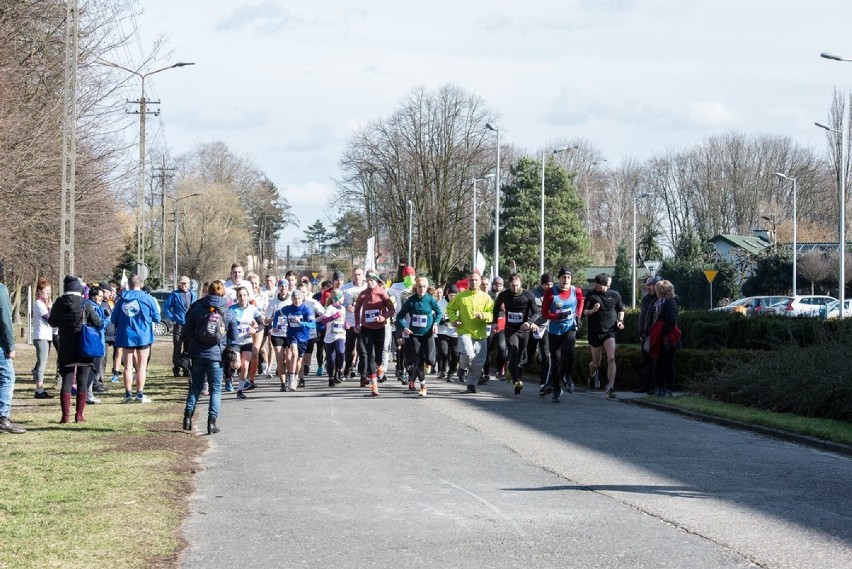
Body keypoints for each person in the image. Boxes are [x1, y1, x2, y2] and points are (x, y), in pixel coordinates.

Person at [180, 280, 240, 434]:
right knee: (215, 390)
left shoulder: (198, 308)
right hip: (217, 356)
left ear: (208, 292)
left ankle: (187, 418)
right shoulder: (227, 311)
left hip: (198, 354)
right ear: (223, 293)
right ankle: (211, 423)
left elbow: (186, 331)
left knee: (195, 387)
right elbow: (234, 336)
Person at [48, 275, 102, 423]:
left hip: (65, 346)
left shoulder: (59, 303)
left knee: (67, 379)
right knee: (82, 380)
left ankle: (65, 416)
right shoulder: (85, 304)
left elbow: (52, 323)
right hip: (84, 346)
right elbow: (97, 322)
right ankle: (79, 415)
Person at [111, 274, 161, 403]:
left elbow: (113, 319)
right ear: (141, 284)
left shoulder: (122, 299)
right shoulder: (147, 298)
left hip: (127, 335)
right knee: (141, 366)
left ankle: (127, 394)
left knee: (128, 367)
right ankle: (139, 394)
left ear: (129, 284)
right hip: (143, 335)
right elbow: (157, 318)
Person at [445, 270, 494, 394]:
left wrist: (483, 315)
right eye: (471, 280)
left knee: (478, 362)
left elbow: (492, 313)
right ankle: (462, 367)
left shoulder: (486, 297)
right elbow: (450, 308)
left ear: (480, 282)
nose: (474, 282)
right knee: (468, 354)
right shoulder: (461, 296)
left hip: (480, 333)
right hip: (464, 331)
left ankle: (471, 384)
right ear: (468, 281)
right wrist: (455, 320)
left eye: (476, 280)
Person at [541, 268, 585, 403]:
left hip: (569, 327)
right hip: (554, 330)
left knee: (569, 352)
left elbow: (581, 301)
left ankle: (567, 376)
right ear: (558, 279)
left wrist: (578, 315)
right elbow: (544, 313)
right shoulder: (550, 292)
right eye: (563, 277)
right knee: (556, 360)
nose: (566, 280)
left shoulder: (575, 291)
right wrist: (557, 316)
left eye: (568, 277)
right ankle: (556, 388)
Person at [492, 273, 539, 395]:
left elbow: (536, 313)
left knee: (521, 356)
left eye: (517, 285)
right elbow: (496, 308)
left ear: (521, 284)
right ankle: (516, 381)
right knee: (514, 349)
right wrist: (495, 322)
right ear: (509, 285)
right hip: (510, 329)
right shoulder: (504, 294)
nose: (515, 288)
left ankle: (513, 370)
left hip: (524, 330)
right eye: (513, 286)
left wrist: (529, 323)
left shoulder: (528, 295)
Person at [395, 276, 442, 396]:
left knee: (431, 360)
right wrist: (405, 328)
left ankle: (412, 379)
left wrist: (435, 324)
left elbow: (439, 312)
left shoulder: (430, 300)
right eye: (419, 286)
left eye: (424, 286)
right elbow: (399, 316)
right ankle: (423, 386)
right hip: (414, 334)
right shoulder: (411, 301)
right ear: (416, 287)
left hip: (428, 334)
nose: (422, 289)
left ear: (427, 287)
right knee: (419, 359)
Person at [583, 273, 625, 399]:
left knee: (611, 357)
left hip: (609, 331)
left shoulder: (615, 295)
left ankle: (610, 386)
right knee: (596, 363)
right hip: (595, 332)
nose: (596, 285)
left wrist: (620, 321)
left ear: (606, 285)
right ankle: (592, 376)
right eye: (595, 283)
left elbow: (621, 309)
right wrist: (593, 310)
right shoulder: (591, 295)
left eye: (599, 284)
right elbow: (583, 312)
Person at [353, 271, 395, 396]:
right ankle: (374, 385)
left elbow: (391, 309)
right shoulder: (363, 294)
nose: (370, 282)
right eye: (368, 280)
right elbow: (356, 310)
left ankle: (379, 366)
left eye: (372, 280)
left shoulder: (382, 293)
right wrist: (357, 323)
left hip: (379, 328)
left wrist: (383, 317)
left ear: (376, 281)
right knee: (370, 355)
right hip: (366, 328)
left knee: (378, 356)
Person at [275, 289, 316, 392]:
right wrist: (274, 325)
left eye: (299, 298)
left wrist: (302, 323)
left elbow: (312, 324)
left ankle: (296, 376)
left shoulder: (306, 310)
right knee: (294, 353)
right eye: (295, 298)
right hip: (292, 336)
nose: (297, 301)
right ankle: (292, 379)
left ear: (302, 298)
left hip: (303, 337)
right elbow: (276, 314)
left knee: (299, 362)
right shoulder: (288, 309)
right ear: (292, 299)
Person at [228, 286, 264, 399]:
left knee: (244, 365)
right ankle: (229, 369)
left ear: (248, 296)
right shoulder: (231, 309)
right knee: (236, 364)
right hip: (234, 341)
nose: (242, 297)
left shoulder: (253, 309)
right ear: (237, 297)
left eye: (244, 295)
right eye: (240, 295)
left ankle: (240, 390)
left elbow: (262, 324)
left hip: (247, 341)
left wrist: (255, 329)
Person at [0, 274, 25, 433]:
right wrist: (10, 345)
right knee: (7, 378)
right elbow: (5, 320)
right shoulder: (1, 290)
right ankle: (3, 417)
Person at [649, 279, 680, 397]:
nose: (655, 291)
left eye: (657, 290)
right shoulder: (658, 303)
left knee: (667, 364)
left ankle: (668, 389)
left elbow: (671, 321)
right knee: (659, 364)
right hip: (659, 338)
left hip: (667, 339)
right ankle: (659, 387)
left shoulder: (670, 303)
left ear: (661, 291)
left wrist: (660, 332)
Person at [163, 276, 197, 377]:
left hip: (190, 325)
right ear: (179, 284)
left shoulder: (193, 295)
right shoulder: (175, 294)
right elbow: (166, 307)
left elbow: (196, 308)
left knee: (188, 348)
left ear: (189, 284)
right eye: (182, 283)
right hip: (179, 324)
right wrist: (173, 317)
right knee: (177, 347)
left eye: (186, 283)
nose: (184, 285)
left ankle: (186, 368)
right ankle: (176, 368)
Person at [635, 276, 662, 394]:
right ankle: (646, 386)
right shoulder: (646, 298)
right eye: (648, 285)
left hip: (656, 335)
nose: (648, 287)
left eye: (651, 285)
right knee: (646, 361)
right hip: (645, 335)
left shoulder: (661, 299)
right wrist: (641, 332)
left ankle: (657, 386)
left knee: (657, 362)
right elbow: (643, 316)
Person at [342, 267, 367, 381]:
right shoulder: (346, 288)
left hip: (364, 323)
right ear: (352, 276)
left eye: (359, 274)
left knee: (362, 349)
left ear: (363, 276)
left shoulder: (367, 288)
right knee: (349, 349)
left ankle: (363, 374)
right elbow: (338, 303)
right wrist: (347, 307)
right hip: (350, 323)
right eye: (355, 275)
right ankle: (348, 367)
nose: (357, 277)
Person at [529, 274, 553, 393]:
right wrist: (531, 323)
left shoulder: (555, 293)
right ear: (541, 284)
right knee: (529, 356)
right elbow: (528, 311)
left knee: (546, 355)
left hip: (547, 328)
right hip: (533, 327)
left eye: (551, 284)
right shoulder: (533, 294)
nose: (549, 287)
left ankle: (544, 384)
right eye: (546, 284)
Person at [31, 277, 54, 399]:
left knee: (42, 361)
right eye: (46, 291)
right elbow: (48, 318)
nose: (48, 294)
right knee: (42, 364)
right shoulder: (39, 304)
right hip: (41, 336)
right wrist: (50, 307)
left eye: (49, 291)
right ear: (40, 292)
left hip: (47, 335)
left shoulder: (44, 303)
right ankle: (39, 390)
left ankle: (38, 381)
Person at [321, 289, 347, 387]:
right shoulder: (330, 308)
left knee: (341, 352)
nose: (344, 298)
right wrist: (333, 316)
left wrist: (346, 324)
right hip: (330, 336)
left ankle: (339, 371)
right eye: (342, 296)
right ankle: (331, 378)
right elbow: (324, 320)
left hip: (341, 334)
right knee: (331, 359)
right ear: (337, 298)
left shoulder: (343, 309)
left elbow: (342, 321)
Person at [436, 284, 459, 382]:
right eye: (451, 295)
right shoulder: (441, 303)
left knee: (455, 355)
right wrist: (441, 321)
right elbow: (436, 314)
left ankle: (451, 373)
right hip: (443, 331)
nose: (453, 297)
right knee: (444, 352)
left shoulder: (459, 303)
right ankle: (443, 369)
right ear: (447, 294)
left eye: (455, 295)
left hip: (455, 333)